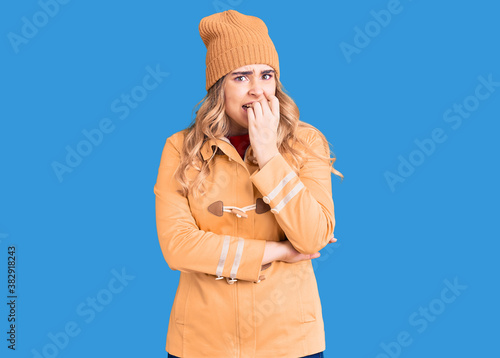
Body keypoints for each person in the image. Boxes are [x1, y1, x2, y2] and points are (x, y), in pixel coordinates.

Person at [154, 9, 343, 358]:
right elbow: (177, 246)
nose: (258, 91)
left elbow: (314, 236)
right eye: (241, 77)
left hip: (289, 341)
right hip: (201, 342)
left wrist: (270, 153)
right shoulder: (180, 149)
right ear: (218, 87)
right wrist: (279, 252)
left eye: (266, 75)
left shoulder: (307, 143)